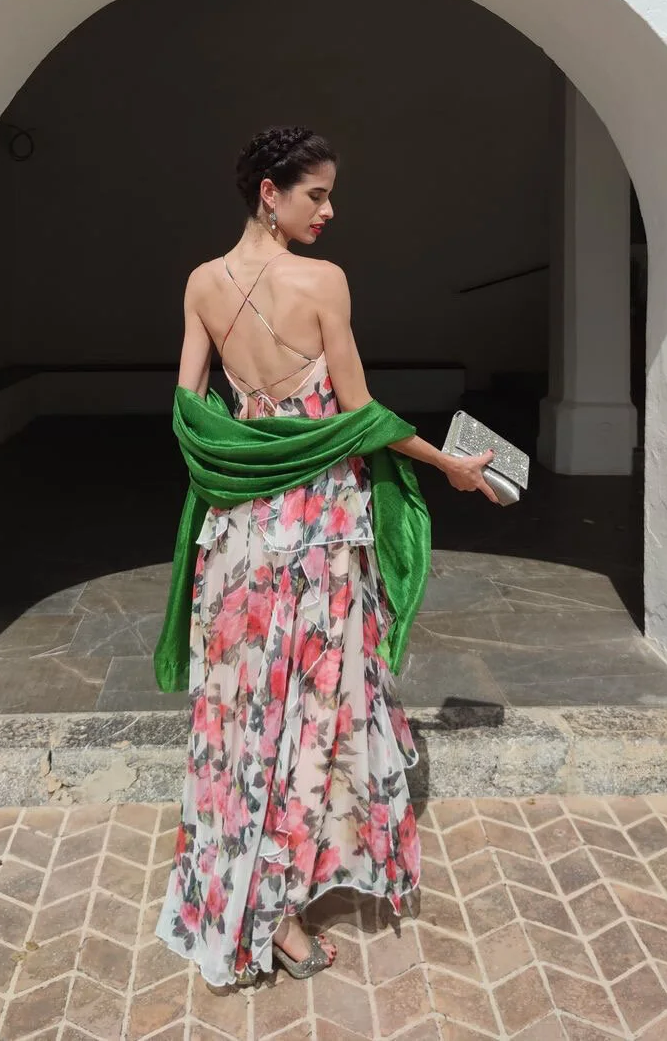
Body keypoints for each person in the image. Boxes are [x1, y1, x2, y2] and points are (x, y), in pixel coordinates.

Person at [153, 126, 499, 989]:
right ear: (268, 194)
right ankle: (278, 913)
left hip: (237, 533)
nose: (329, 210)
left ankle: (234, 889)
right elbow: (360, 413)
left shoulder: (200, 283)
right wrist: (448, 465)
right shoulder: (324, 283)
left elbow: (188, 414)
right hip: (315, 533)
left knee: (243, 711)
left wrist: (245, 453)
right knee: (307, 713)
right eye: (316, 193)